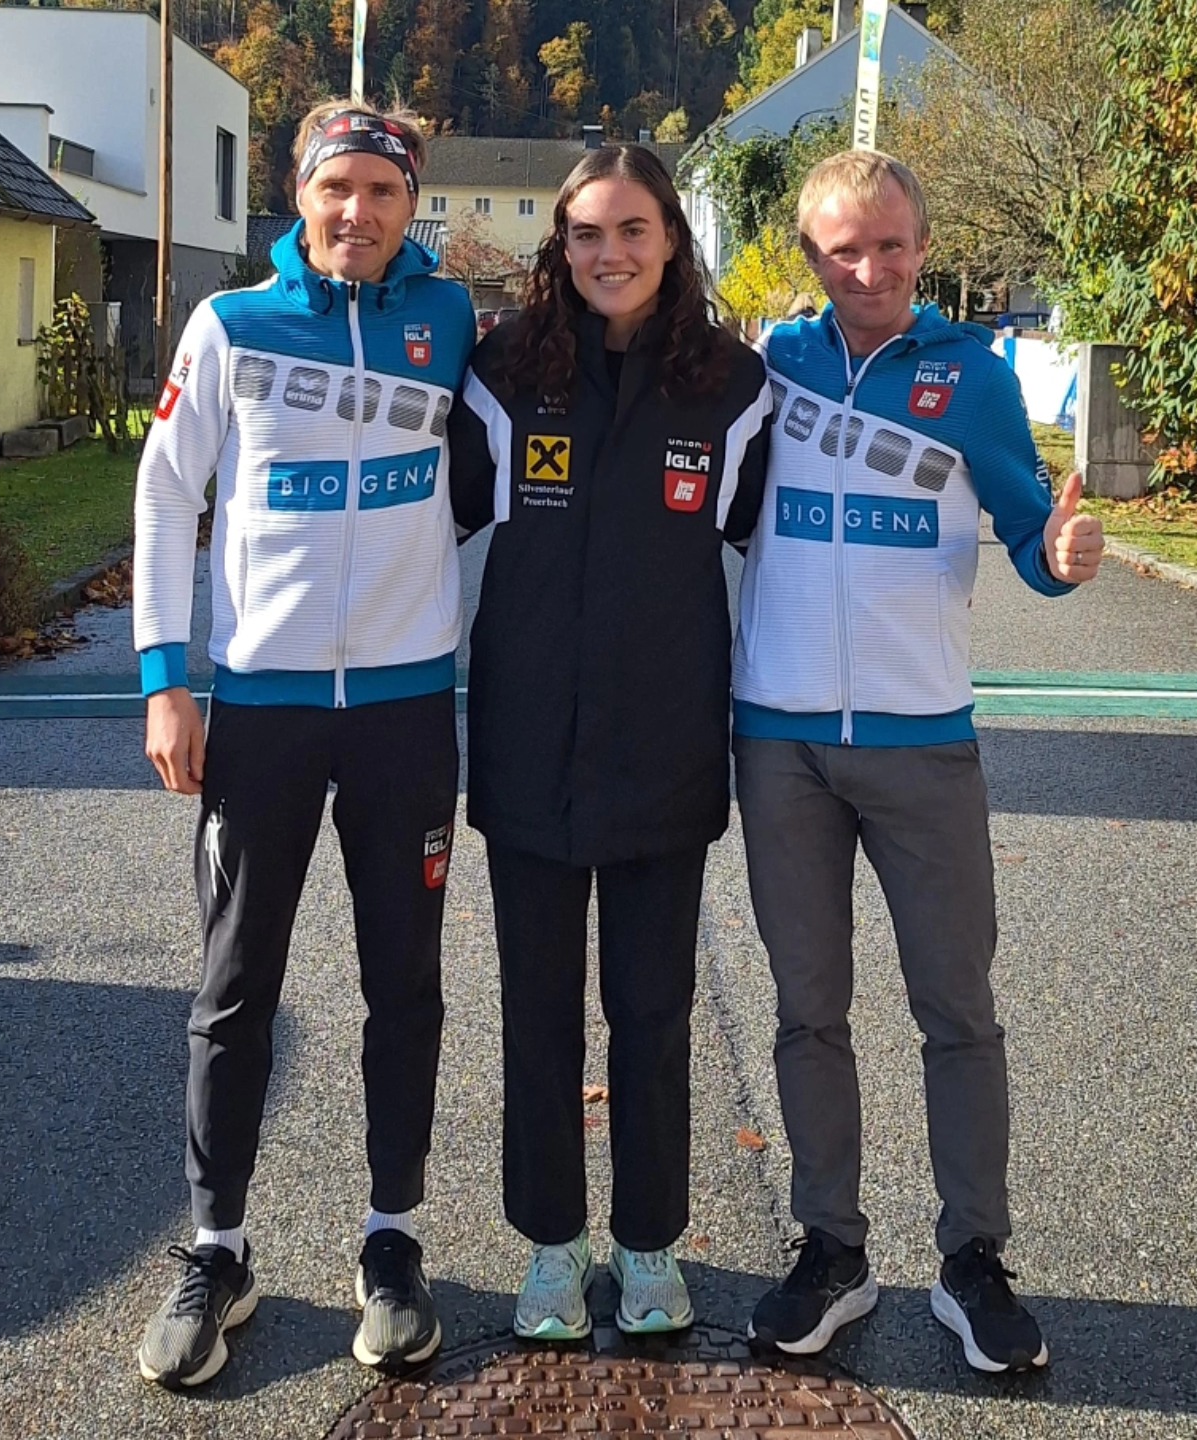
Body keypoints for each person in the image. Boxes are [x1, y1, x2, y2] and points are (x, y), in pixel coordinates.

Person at [734, 150, 1105, 1374]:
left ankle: (973, 1261)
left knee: (958, 1010)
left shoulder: (975, 376)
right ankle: (831, 1251)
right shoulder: (773, 365)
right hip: (780, 739)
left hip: (923, 740)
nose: (870, 269)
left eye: (890, 245)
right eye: (844, 249)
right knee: (807, 1010)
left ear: (923, 248)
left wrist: (1064, 557)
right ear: (811, 257)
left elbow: (1032, 538)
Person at [131, 98, 475, 1387]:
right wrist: (166, 681)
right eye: (338, 188)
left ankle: (392, 1239)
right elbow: (165, 494)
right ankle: (217, 1247)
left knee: (407, 985)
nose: (358, 212)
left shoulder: (451, 324)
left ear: (410, 205)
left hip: (403, 712)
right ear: (301, 195)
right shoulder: (230, 325)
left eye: (383, 192)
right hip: (263, 711)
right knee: (235, 986)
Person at [448, 144, 771, 1341]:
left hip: (665, 747)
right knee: (538, 1012)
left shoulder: (733, 387)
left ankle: (647, 1246)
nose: (610, 253)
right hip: (530, 742)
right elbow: (439, 522)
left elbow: (762, 546)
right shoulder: (501, 372)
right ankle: (551, 1246)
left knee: (652, 1011)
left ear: (672, 239)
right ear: (561, 246)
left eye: (633, 229)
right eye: (587, 233)